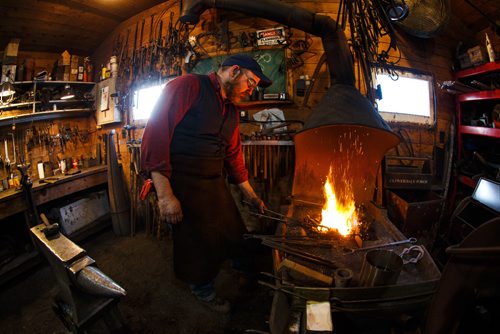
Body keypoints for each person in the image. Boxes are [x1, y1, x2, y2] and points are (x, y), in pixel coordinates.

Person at [140, 54, 272, 313]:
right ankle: (203, 290)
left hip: (213, 183)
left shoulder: (231, 109)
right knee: (197, 244)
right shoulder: (188, 86)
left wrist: (251, 196)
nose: (251, 89)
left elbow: (233, 157)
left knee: (233, 229)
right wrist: (166, 196)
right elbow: (156, 134)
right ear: (234, 71)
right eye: (251, 81)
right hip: (182, 184)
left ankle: (245, 271)